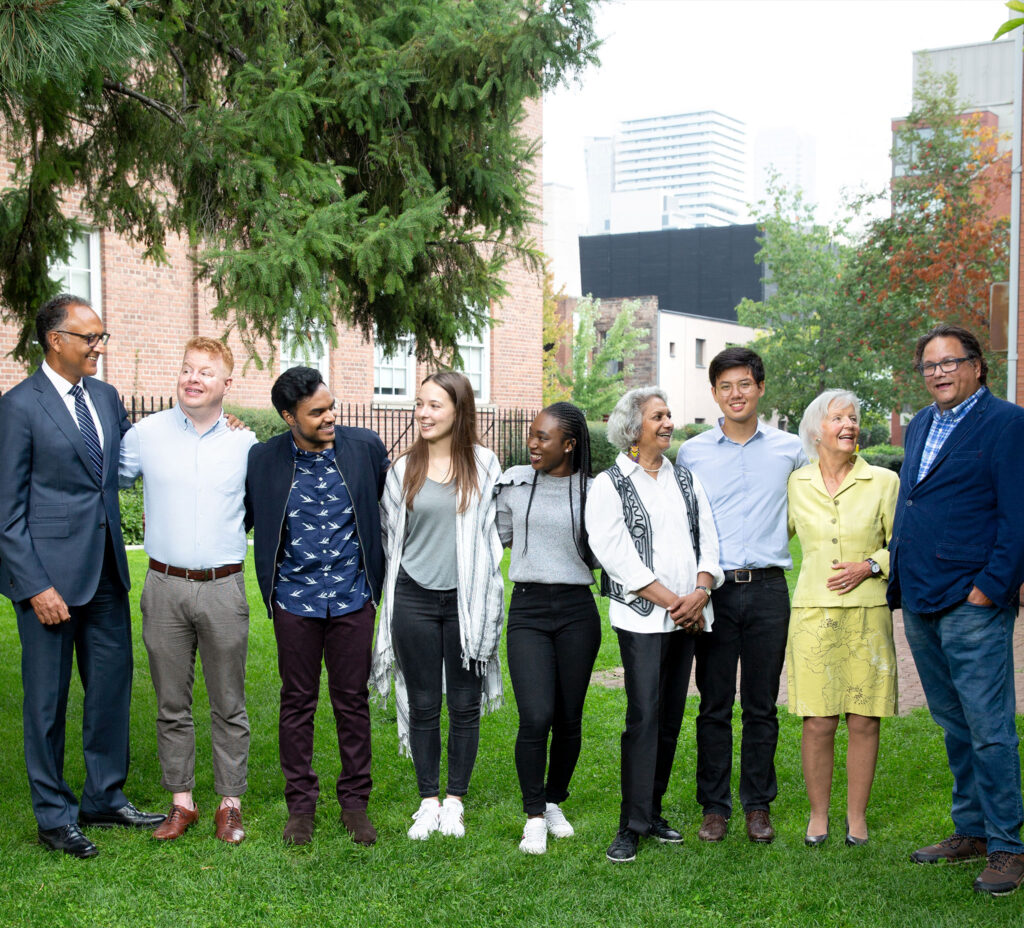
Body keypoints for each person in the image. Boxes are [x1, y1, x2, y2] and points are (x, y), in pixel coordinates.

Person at [0, 294, 165, 859]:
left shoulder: (106, 397)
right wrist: (34, 586)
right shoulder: (19, 406)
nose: (99, 347)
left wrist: (216, 422)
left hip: (106, 575)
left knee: (111, 693)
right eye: (90, 338)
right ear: (55, 340)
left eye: (102, 337)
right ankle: (53, 816)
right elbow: (6, 513)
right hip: (48, 583)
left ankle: (104, 796)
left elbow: (133, 457)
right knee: (46, 703)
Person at [889, 324, 1024, 896]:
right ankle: (970, 829)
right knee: (953, 723)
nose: (939, 372)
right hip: (921, 595)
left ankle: (1007, 846)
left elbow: (1017, 516)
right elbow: (917, 500)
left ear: (976, 367)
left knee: (990, 728)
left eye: (951, 362)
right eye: (929, 365)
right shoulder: (921, 424)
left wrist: (991, 587)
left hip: (972, 600)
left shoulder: (1007, 424)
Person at [119, 338, 257, 844]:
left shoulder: (245, 444)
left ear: (226, 384)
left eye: (205, 371)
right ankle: (182, 803)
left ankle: (229, 803)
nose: (192, 378)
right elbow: (101, 479)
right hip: (163, 585)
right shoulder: (145, 434)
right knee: (170, 702)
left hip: (223, 587)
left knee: (229, 701)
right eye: (186, 369)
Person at [246, 366, 388, 847]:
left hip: (352, 598)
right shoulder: (263, 459)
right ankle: (300, 806)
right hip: (294, 600)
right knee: (297, 703)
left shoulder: (365, 447)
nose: (331, 416)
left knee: (352, 702)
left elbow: (389, 506)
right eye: (317, 412)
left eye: (331, 406)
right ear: (289, 417)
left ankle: (355, 804)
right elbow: (248, 513)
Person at [586, 387, 723, 863]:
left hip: (688, 616)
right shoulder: (609, 484)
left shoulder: (685, 479)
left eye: (669, 414)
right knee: (643, 716)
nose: (668, 422)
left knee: (668, 719)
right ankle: (631, 824)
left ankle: (653, 812)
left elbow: (708, 540)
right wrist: (672, 602)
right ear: (633, 426)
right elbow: (614, 554)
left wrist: (701, 591)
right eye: (658, 416)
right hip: (643, 620)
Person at [676, 347, 806, 844]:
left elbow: (801, 511)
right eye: (725, 386)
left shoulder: (791, 449)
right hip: (716, 591)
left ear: (760, 388)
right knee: (713, 703)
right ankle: (714, 806)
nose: (736, 394)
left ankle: (757, 805)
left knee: (761, 703)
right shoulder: (693, 452)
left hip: (770, 589)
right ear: (714, 393)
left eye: (745, 384)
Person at [371, 372, 505, 841]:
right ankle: (428, 800)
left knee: (464, 705)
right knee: (425, 702)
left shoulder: (486, 466)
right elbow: (391, 536)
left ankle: (455, 802)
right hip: (414, 597)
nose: (423, 414)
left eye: (434, 405)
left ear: (458, 410)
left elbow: (494, 536)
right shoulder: (402, 468)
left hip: (466, 602)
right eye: (419, 404)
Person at [787, 389, 899, 847]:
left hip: (868, 614)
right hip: (812, 612)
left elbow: (903, 543)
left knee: (864, 719)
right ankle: (818, 816)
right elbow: (772, 537)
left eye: (854, 418)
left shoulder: (885, 482)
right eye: (839, 418)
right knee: (817, 720)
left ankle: (856, 818)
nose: (849, 426)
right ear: (817, 430)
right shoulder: (796, 483)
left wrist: (871, 565)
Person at [495, 402, 601, 855]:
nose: (532, 443)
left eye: (543, 437)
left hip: (578, 609)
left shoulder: (596, 492)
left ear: (570, 444)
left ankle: (555, 800)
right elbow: (497, 537)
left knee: (568, 718)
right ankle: (533, 815)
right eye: (532, 435)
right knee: (536, 715)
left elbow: (606, 551)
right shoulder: (514, 485)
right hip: (529, 610)